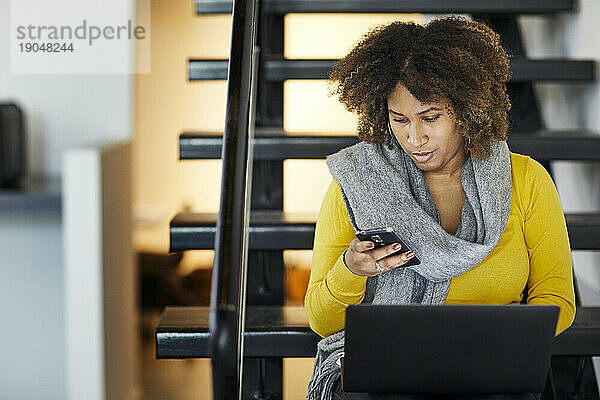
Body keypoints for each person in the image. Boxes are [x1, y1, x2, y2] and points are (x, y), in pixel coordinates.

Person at [304, 16, 576, 400]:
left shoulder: (527, 181)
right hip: (386, 379)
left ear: (466, 111)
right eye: (399, 120)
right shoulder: (356, 183)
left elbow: (556, 298)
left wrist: (503, 344)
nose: (415, 138)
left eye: (431, 118)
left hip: (493, 373)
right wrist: (351, 270)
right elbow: (321, 319)